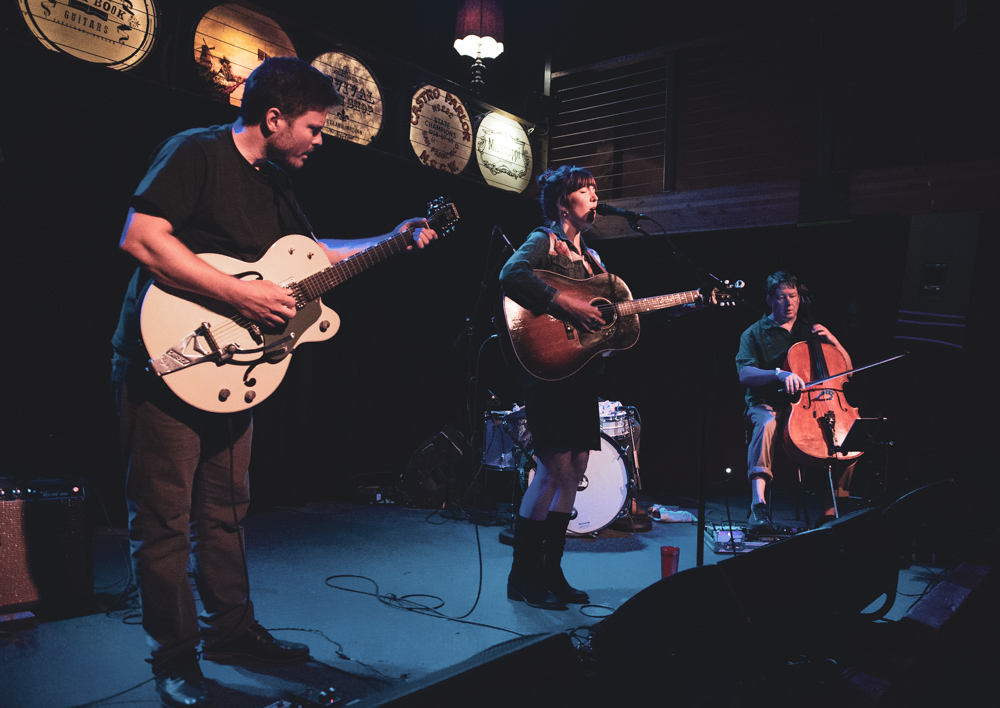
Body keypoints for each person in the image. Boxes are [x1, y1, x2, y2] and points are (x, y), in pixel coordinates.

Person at [110, 57, 437, 708]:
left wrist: (391, 240)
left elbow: (311, 261)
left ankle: (231, 634)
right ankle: (174, 661)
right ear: (273, 118)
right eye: (314, 127)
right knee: (164, 521)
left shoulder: (277, 184)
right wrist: (239, 294)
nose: (320, 140)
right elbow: (142, 238)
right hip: (169, 357)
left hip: (234, 369)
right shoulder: (196, 153)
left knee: (226, 511)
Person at [499, 165, 702, 611]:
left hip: (581, 374)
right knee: (551, 470)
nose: (594, 196)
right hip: (549, 371)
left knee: (574, 470)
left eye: (595, 189)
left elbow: (618, 319)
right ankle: (522, 575)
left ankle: (551, 571)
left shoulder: (593, 259)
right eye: (584, 190)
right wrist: (565, 303)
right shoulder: (544, 240)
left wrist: (676, 307)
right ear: (562, 202)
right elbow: (511, 274)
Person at [735, 271, 854, 533]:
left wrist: (833, 341)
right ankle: (758, 504)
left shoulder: (809, 330)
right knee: (766, 424)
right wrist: (778, 374)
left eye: (793, 296)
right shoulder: (754, 333)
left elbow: (846, 372)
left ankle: (830, 508)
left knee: (849, 437)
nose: (789, 302)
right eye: (781, 297)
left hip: (810, 406)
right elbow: (745, 374)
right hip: (767, 403)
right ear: (770, 300)